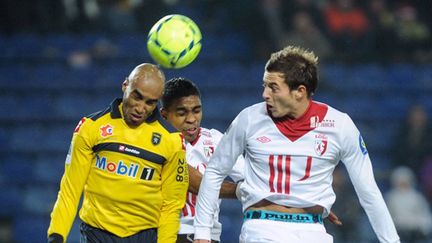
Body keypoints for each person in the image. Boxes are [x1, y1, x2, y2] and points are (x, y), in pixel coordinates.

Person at [193, 46, 400, 243]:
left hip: (314, 231)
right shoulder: (249, 119)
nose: (265, 94)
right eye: (265, 85)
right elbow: (215, 172)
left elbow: (368, 192)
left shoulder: (340, 126)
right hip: (263, 228)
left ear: (299, 91)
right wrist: (202, 231)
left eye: (273, 87)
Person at [47, 63, 189, 243]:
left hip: (145, 236)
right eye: (137, 97)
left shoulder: (173, 140)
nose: (140, 108)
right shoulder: (91, 127)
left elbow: (171, 206)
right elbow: (70, 189)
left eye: (150, 102)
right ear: (125, 85)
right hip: (96, 233)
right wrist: (56, 235)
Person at [160, 77, 245, 243]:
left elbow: (249, 177)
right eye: (182, 113)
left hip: (207, 236)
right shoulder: (156, 143)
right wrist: (241, 191)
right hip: (164, 233)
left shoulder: (216, 140)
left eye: (197, 110)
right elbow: (193, 182)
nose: (191, 119)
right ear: (165, 114)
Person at [385, 166, 432, 242]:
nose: (403, 184)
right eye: (401, 181)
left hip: (416, 232)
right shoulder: (391, 198)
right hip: (398, 231)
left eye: (405, 181)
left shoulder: (417, 197)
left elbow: (426, 216)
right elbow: (387, 218)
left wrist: (422, 226)